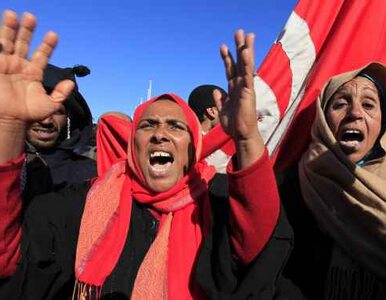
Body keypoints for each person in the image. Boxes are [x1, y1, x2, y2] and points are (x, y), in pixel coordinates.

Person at [0, 10, 297, 299]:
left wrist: (246, 137)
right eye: (148, 125)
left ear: (193, 146)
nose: (160, 134)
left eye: (176, 126)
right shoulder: (78, 203)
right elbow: (9, 259)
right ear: (133, 143)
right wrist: (9, 126)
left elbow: (258, 239)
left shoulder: (218, 199)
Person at [280, 62, 386, 299]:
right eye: (340, 104)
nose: (355, 113)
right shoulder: (292, 185)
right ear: (323, 119)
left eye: (368, 105)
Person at [24, 63, 96, 200]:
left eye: (57, 111)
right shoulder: (6, 165)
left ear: (69, 118)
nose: (46, 121)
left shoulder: (92, 174)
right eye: (37, 108)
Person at [188, 85, 232, 174]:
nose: (231, 112)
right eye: (227, 107)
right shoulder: (189, 146)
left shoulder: (187, 143)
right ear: (212, 112)